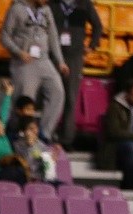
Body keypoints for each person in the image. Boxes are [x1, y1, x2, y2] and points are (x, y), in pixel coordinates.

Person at [0, 0, 70, 142]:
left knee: (57, 92)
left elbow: (53, 36)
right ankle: (19, 134)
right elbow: (4, 37)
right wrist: (18, 52)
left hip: (44, 60)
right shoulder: (16, 9)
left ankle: (44, 134)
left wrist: (60, 61)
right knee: (25, 101)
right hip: (24, 62)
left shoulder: (46, 10)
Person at [51, 0, 102, 149]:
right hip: (53, 55)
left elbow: (98, 26)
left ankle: (66, 139)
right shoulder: (52, 4)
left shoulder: (84, 4)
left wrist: (92, 45)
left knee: (71, 98)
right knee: (51, 96)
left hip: (74, 56)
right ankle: (47, 134)